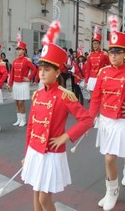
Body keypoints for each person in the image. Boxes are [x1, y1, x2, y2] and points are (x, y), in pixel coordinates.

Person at [21, 21, 93, 211]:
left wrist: (66, 136)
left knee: (45, 198)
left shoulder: (64, 96)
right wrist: (26, 154)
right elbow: (31, 127)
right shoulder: (37, 95)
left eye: (47, 69)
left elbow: (87, 119)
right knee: (36, 193)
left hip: (51, 154)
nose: (42, 73)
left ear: (58, 72)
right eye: (40, 69)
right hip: (35, 152)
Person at [89, 15, 125, 211]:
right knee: (109, 157)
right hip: (106, 120)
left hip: (122, 120)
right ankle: (112, 190)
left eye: (118, 52)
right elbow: (95, 98)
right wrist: (89, 119)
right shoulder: (103, 72)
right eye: (111, 52)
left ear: (124, 54)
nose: (113, 56)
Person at [7, 35, 36, 127]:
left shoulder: (26, 60)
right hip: (16, 83)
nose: (18, 51)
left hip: (23, 83)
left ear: (24, 50)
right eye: (17, 49)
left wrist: (29, 78)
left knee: (21, 102)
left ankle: (23, 119)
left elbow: (35, 69)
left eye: (20, 49)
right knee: (16, 102)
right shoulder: (15, 61)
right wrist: (9, 84)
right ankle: (18, 119)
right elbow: (12, 73)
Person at [84, 25, 109, 95]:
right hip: (92, 78)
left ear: (99, 44)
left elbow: (109, 65)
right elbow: (88, 69)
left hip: (100, 77)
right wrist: (86, 81)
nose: (94, 45)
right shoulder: (90, 55)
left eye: (96, 44)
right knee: (92, 97)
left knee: (100, 97)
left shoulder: (104, 54)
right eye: (93, 44)